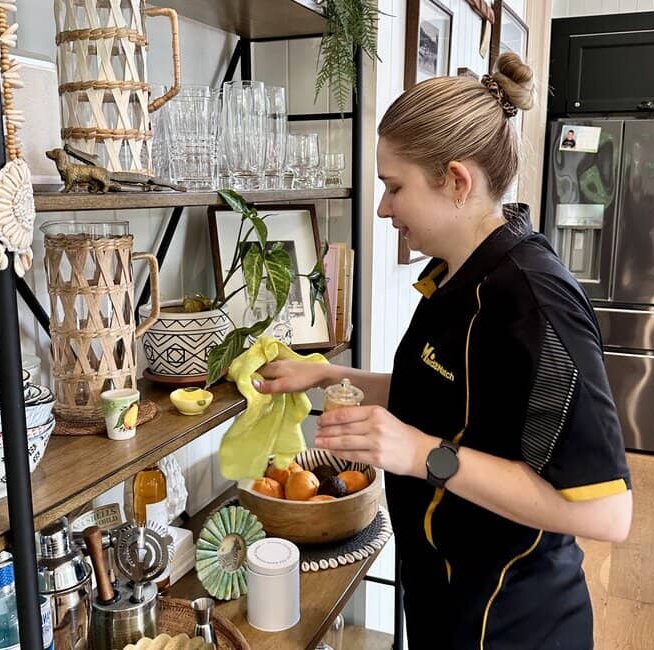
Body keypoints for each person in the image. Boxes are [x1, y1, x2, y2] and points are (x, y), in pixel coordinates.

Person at [253, 52, 632, 649]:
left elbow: (605, 513)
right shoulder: (457, 275)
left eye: (394, 187)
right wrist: (323, 375)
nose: (383, 208)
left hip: (510, 623)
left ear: (457, 181)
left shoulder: (534, 303)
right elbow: (447, 397)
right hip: (444, 600)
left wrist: (422, 454)